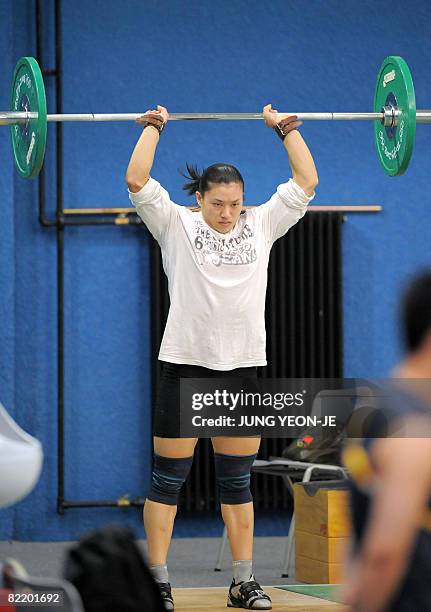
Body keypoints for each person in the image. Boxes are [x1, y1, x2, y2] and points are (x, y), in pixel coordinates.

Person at [125, 104, 318, 610]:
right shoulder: (176, 225)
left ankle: (242, 581)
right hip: (185, 366)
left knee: (237, 483)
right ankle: (158, 581)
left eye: (235, 204)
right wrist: (153, 128)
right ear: (201, 198)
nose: (228, 213)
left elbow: (306, 178)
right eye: (218, 204)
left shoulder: (262, 224)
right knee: (168, 482)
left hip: (242, 370)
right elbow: (137, 177)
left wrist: (285, 128)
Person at [342, 271, 431, 611]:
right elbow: (383, 554)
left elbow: (360, 522)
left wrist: (352, 591)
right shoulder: (413, 429)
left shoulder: (372, 405)